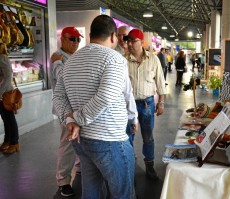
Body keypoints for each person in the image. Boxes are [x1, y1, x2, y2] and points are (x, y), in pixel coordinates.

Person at [53, 15, 136, 199]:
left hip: (82, 141)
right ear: (114, 36)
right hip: (110, 140)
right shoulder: (114, 59)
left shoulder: (71, 62)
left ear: (90, 35)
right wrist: (76, 119)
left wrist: (69, 119)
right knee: (123, 194)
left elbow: (58, 96)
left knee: (91, 191)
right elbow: (106, 96)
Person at [124, 29, 167, 180]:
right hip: (128, 106)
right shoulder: (123, 60)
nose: (129, 44)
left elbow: (160, 82)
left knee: (148, 137)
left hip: (147, 104)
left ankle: (149, 165)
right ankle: (130, 166)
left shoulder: (153, 60)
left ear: (142, 43)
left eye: (133, 41)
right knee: (128, 137)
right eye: (127, 40)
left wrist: (161, 102)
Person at [50, 26, 83, 197]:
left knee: (77, 141)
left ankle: (79, 168)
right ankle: (63, 180)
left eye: (78, 39)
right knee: (67, 143)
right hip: (66, 109)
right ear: (62, 39)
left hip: (77, 107)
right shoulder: (58, 57)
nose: (76, 43)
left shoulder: (74, 56)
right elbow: (63, 78)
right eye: (72, 39)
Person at [115, 26, 139, 147]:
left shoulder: (134, 52)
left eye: (124, 35)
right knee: (124, 131)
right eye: (118, 35)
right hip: (121, 99)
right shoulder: (114, 52)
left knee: (134, 128)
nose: (121, 38)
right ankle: (129, 151)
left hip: (137, 98)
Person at [0, 40, 19, 154]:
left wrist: (1, 91)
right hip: (2, 93)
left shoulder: (2, 57)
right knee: (5, 119)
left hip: (5, 94)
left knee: (9, 119)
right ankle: (7, 141)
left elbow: (7, 76)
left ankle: (14, 143)